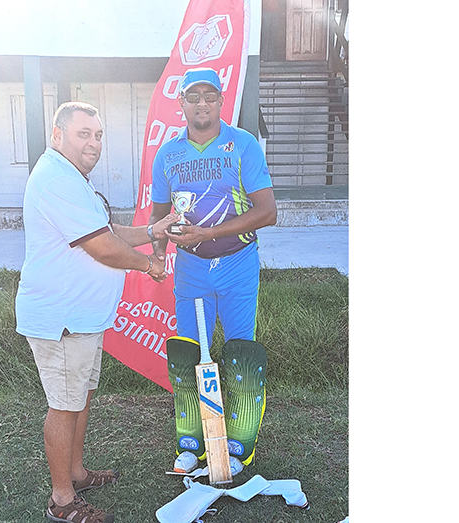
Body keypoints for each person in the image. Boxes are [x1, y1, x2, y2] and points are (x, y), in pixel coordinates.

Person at [15, 101, 179, 523]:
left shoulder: (73, 178)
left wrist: (152, 232)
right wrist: (149, 264)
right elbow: (101, 246)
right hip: (63, 318)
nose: (93, 142)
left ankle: (76, 472)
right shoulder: (56, 179)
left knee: (79, 397)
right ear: (57, 134)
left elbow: (106, 230)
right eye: (83, 133)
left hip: (82, 318)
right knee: (64, 405)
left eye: (98, 134)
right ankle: (62, 501)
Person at [148, 68, 277, 467]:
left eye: (209, 95)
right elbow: (160, 218)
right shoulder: (168, 154)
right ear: (181, 103)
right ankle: (192, 440)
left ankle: (240, 443)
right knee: (189, 355)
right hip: (190, 268)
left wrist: (209, 232)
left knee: (241, 351)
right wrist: (155, 255)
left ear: (221, 101)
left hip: (238, 263)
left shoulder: (242, 145)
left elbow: (268, 212)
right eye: (193, 96)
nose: (201, 103)